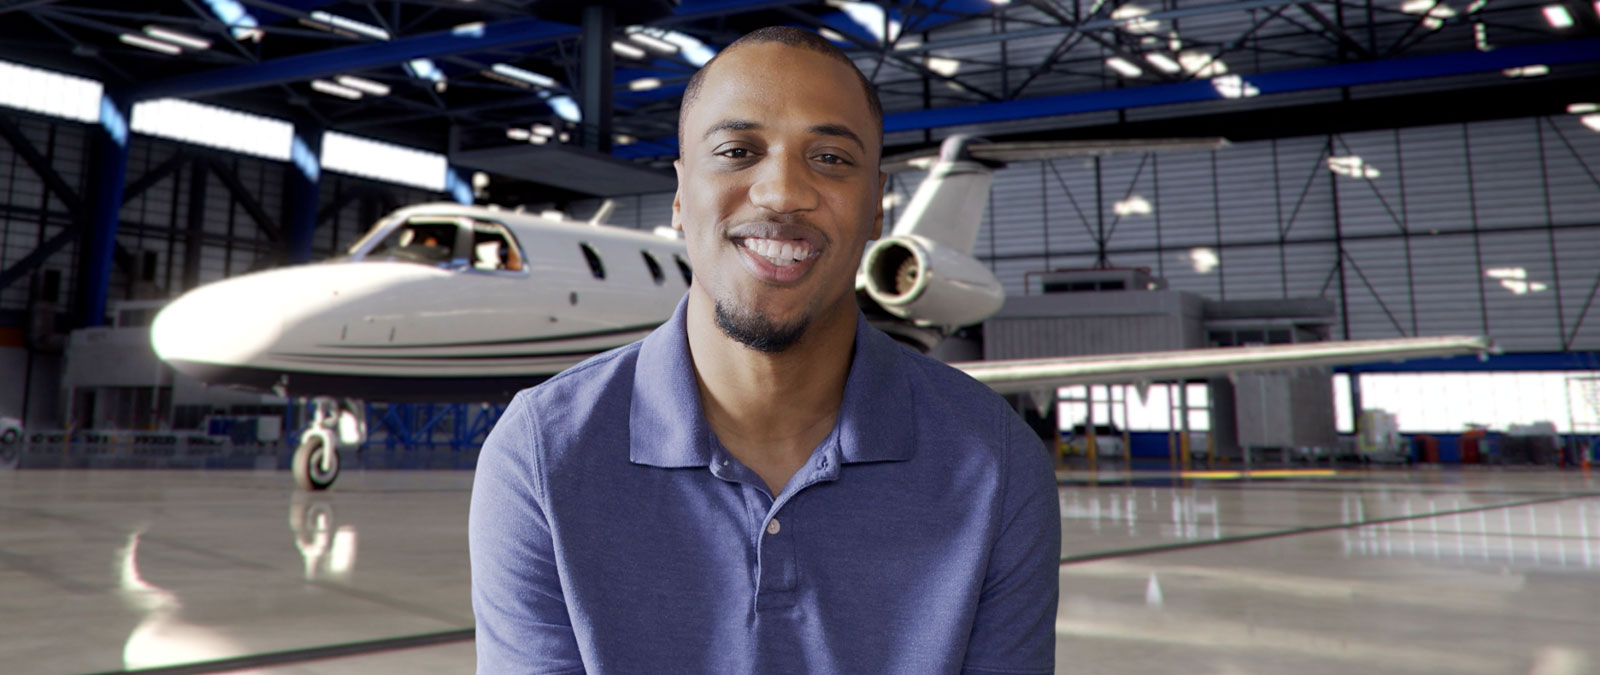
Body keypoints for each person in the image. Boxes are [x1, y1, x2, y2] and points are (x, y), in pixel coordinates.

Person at [470, 26, 1059, 673]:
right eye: (736, 150)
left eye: (831, 158)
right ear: (679, 192)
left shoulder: (999, 467)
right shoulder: (539, 457)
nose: (781, 194)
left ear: (875, 210)